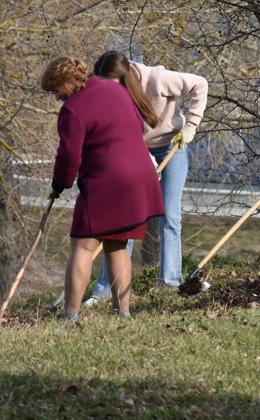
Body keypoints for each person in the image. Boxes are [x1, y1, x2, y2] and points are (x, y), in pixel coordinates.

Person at [41, 56, 165, 321]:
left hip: (107, 182)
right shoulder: (116, 89)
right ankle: (123, 312)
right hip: (140, 178)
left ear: (67, 82)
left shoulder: (73, 109)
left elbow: (69, 156)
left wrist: (59, 183)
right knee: (117, 246)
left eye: (56, 90)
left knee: (83, 246)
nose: (56, 97)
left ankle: (71, 314)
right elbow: (137, 128)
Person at [85, 51, 209, 304]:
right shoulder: (110, 95)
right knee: (125, 220)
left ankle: (170, 282)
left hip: (172, 147)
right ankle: (106, 289)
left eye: (110, 85)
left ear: (124, 78)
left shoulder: (158, 78)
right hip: (137, 150)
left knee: (169, 216)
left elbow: (200, 84)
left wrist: (191, 126)